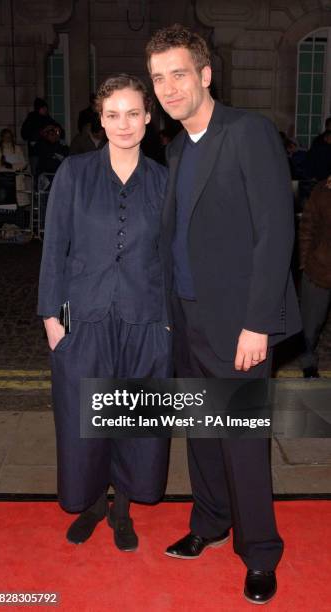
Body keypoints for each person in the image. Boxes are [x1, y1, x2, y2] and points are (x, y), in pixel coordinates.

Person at [146, 24, 301, 604]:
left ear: (205, 75)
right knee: (203, 436)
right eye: (159, 78)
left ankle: (260, 552)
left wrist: (259, 322)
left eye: (178, 74)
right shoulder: (177, 148)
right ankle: (210, 523)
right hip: (186, 320)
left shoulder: (248, 132)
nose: (168, 87)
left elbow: (274, 232)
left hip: (238, 324)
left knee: (241, 440)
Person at [37, 74, 170, 552]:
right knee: (83, 418)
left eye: (133, 113)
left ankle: (124, 508)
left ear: (148, 117)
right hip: (85, 317)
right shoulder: (74, 172)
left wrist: (171, 322)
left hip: (145, 317)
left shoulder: (163, 179)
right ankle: (93, 502)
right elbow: (55, 247)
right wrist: (51, 318)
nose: (123, 123)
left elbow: (173, 255)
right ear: (101, 119)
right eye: (112, 114)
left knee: (134, 421)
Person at [299, 176, 331, 378]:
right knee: (311, 324)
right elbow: (307, 228)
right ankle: (308, 362)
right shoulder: (322, 192)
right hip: (319, 269)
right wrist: (304, 263)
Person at [21, 98, 65, 174]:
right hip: (36, 153)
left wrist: (57, 131)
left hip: (48, 152)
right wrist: (43, 131)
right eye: (43, 108)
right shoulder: (31, 119)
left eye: (46, 108)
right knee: (36, 176)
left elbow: (60, 133)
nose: (46, 110)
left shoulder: (48, 119)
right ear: (39, 109)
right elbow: (25, 134)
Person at [0, 128, 28, 206]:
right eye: (6, 136)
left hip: (18, 179)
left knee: (20, 205)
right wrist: (14, 168)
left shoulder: (18, 148)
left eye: (9, 136)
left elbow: (24, 163)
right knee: (8, 205)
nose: (8, 138)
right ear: (2, 138)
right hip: (6, 180)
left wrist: (11, 166)